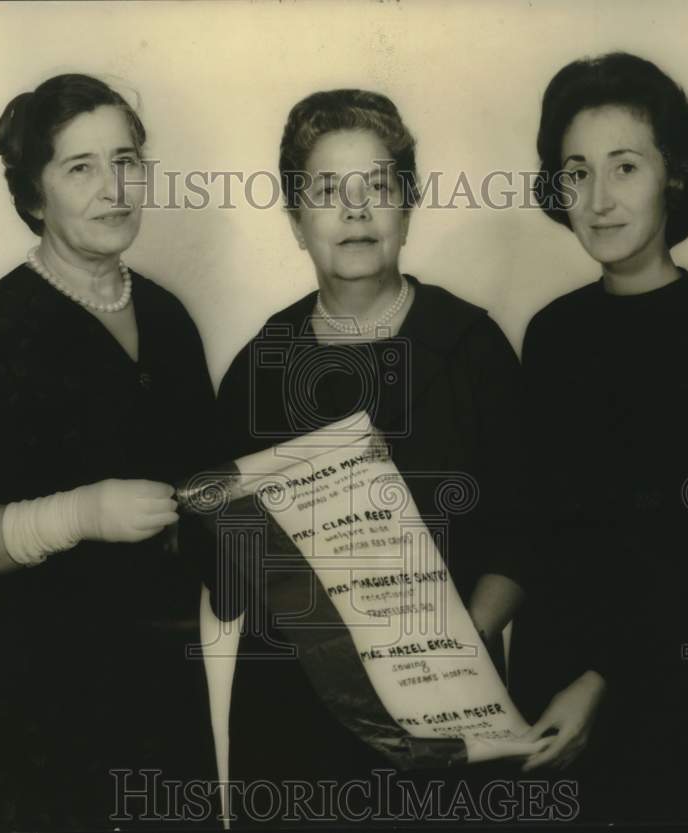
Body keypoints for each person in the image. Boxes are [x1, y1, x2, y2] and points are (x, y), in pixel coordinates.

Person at [0, 74, 218, 832]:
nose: (115, 187)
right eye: (81, 168)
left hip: (152, 701)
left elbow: (207, 489)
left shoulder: (170, 322)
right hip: (15, 710)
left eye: (128, 160)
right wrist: (77, 513)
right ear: (33, 195)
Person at [208, 89, 532, 826]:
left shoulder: (472, 347)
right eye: (326, 191)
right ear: (296, 220)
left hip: (445, 714)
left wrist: (451, 652)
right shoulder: (259, 369)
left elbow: (525, 528)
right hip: (295, 721)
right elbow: (227, 575)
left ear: (408, 207)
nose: (355, 211)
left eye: (378, 187)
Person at [511, 52, 688, 824]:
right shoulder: (551, 333)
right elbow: (533, 519)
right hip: (546, 670)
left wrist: (595, 682)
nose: (598, 198)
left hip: (656, 682)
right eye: (576, 171)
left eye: (625, 166)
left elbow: (686, 561)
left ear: (675, 175)